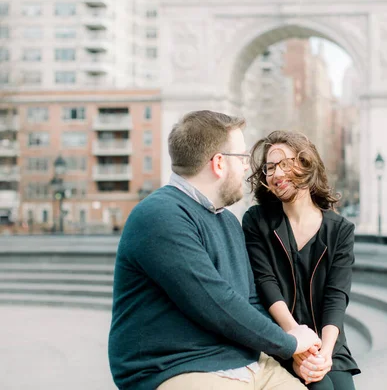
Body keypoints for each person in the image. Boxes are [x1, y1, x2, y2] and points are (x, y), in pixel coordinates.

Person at [108, 111, 321, 390]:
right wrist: (290, 343)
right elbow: (214, 302)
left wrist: (297, 353)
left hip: (247, 362)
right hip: (177, 368)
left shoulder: (227, 221)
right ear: (219, 163)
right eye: (243, 158)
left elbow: (250, 300)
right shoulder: (159, 216)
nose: (248, 168)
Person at [243, 130, 360, 390]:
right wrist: (295, 341)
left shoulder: (340, 230)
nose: (276, 174)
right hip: (282, 339)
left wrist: (326, 354)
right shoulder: (256, 221)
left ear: (307, 165)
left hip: (327, 343)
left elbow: (336, 295)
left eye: (285, 164)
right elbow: (266, 282)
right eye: (270, 168)